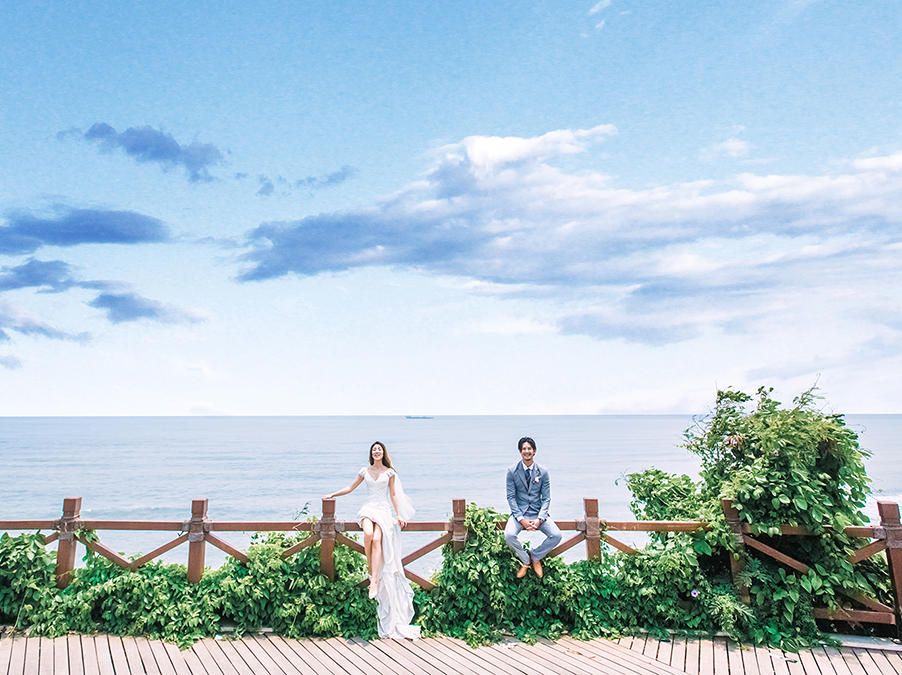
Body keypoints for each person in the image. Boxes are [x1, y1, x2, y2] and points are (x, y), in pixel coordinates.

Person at [324, 441, 420, 639]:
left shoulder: (389, 473)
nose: (377, 452)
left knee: (377, 539)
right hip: (368, 509)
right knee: (368, 533)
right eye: (374, 449)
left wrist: (399, 514)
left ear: (383, 453)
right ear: (371, 453)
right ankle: (372, 573)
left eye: (379, 449)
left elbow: (393, 494)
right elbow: (350, 488)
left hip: (383, 510)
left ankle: (374, 580)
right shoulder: (364, 471)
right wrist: (332, 494)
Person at [504, 436, 562, 579]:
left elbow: (546, 498)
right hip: (520, 514)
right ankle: (525, 560)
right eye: (524, 449)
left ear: (534, 451)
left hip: (538, 513)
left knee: (556, 535)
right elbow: (511, 497)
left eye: (529, 448)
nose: (527, 451)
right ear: (520, 452)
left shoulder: (543, 472)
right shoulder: (512, 471)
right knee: (509, 535)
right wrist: (521, 519)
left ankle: (535, 556)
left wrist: (540, 519)